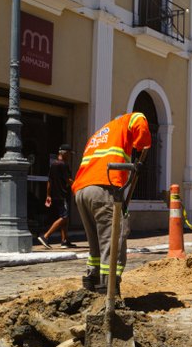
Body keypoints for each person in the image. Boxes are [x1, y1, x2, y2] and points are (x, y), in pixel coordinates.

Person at [72, 112, 151, 293]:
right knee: (113, 239)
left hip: (82, 191)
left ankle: (92, 279)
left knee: (95, 242)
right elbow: (140, 121)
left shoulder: (99, 135)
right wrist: (142, 145)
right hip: (103, 188)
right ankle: (108, 290)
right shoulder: (125, 121)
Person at [38, 144, 75, 249]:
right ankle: (46, 236)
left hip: (55, 195)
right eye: (69, 154)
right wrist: (78, 187)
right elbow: (69, 180)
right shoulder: (64, 165)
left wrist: (48, 195)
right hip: (62, 194)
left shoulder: (53, 164)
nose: (70, 156)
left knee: (64, 218)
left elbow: (49, 181)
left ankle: (64, 240)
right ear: (65, 153)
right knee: (64, 217)